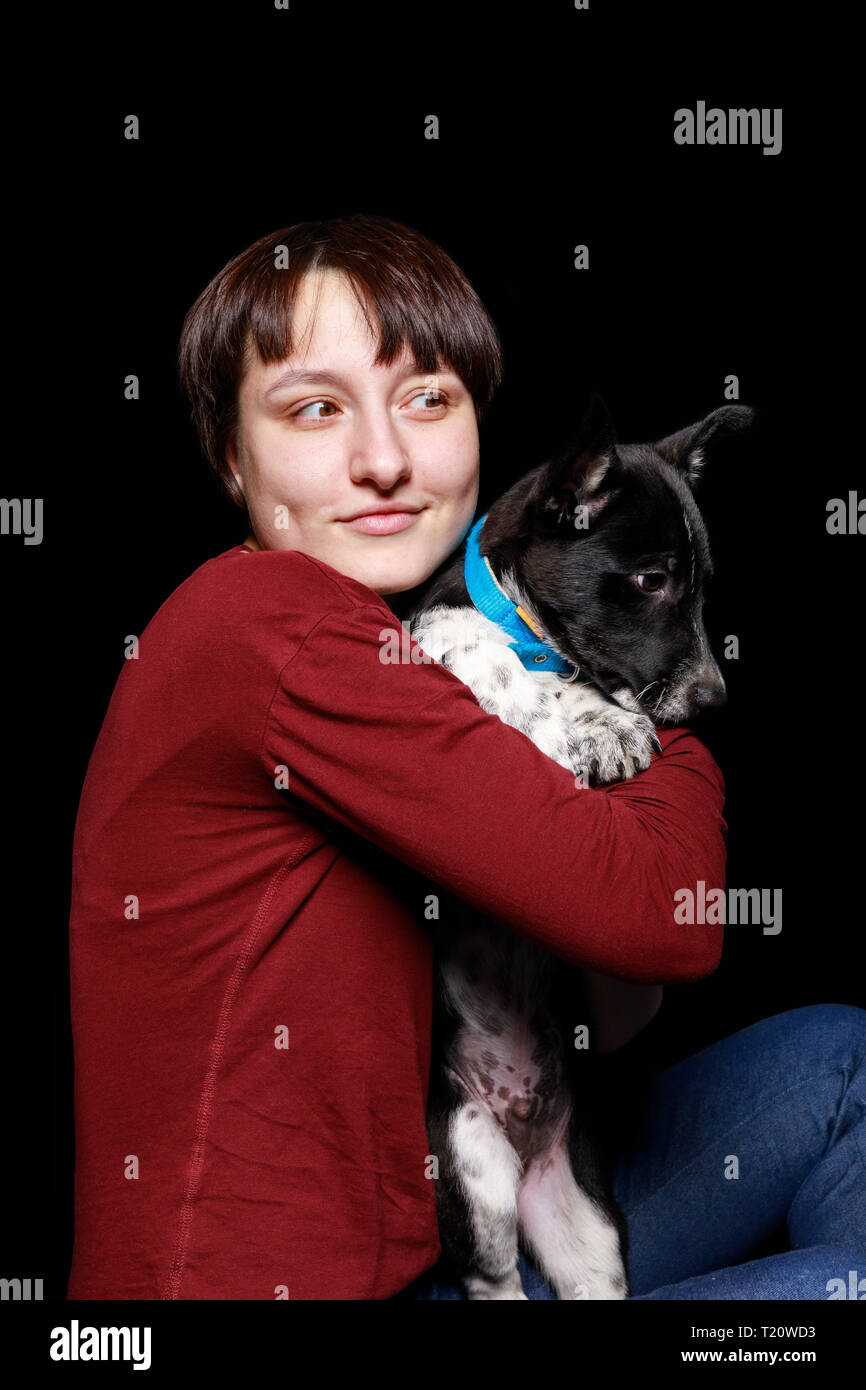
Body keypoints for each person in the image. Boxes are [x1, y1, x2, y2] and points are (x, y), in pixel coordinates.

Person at [66, 215, 865, 1301]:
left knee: (836, 1058)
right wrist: (665, 690)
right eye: (312, 408)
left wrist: (603, 679)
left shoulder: (400, 640)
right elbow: (659, 912)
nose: (383, 458)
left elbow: (617, 1009)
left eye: (427, 397)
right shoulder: (268, 620)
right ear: (228, 456)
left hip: (449, 1224)